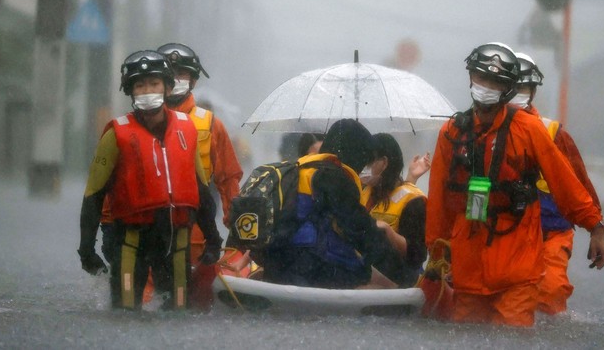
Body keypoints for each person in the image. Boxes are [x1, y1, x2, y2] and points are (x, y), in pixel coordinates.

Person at [425, 42, 604, 327]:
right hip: (469, 262)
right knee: (466, 337)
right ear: (471, 77)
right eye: (481, 77)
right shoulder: (452, 133)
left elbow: (566, 184)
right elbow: (438, 198)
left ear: (507, 88)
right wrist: (437, 253)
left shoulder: (529, 129)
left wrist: (595, 226)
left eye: (495, 81)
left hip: (517, 261)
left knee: (514, 335)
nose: (485, 85)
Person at [77, 50, 222, 310]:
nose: (147, 90)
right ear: (130, 91)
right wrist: (87, 249)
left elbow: (200, 189)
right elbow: (94, 195)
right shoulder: (116, 134)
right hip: (132, 241)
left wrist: (213, 238)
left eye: (154, 83)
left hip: (176, 242)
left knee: (179, 312)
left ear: (167, 87)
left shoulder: (187, 129)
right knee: (126, 312)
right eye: (140, 85)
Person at [511, 52, 602, 315]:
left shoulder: (553, 133)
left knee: (550, 292)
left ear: (532, 92)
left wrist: (597, 229)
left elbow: (580, 185)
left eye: (522, 87)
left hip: (551, 234)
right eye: (511, 87)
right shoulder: (482, 131)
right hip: (505, 236)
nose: (516, 93)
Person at [264, 119, 403, 289]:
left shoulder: (300, 169)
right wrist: (403, 274)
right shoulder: (335, 178)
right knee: (379, 283)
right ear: (355, 154)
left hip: (277, 262)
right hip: (311, 267)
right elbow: (363, 233)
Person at [156, 43, 243, 263]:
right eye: (168, 72)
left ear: (193, 80)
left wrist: (234, 227)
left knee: (193, 294)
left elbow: (229, 178)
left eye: (181, 73)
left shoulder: (210, 124)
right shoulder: (137, 124)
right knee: (143, 295)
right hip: (147, 230)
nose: (174, 78)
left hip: (196, 233)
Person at [360, 133, 430, 288]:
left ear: (384, 163)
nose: (363, 166)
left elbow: (417, 255)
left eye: (368, 161)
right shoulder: (363, 190)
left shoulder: (413, 201)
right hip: (365, 271)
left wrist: (387, 232)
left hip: (400, 278)